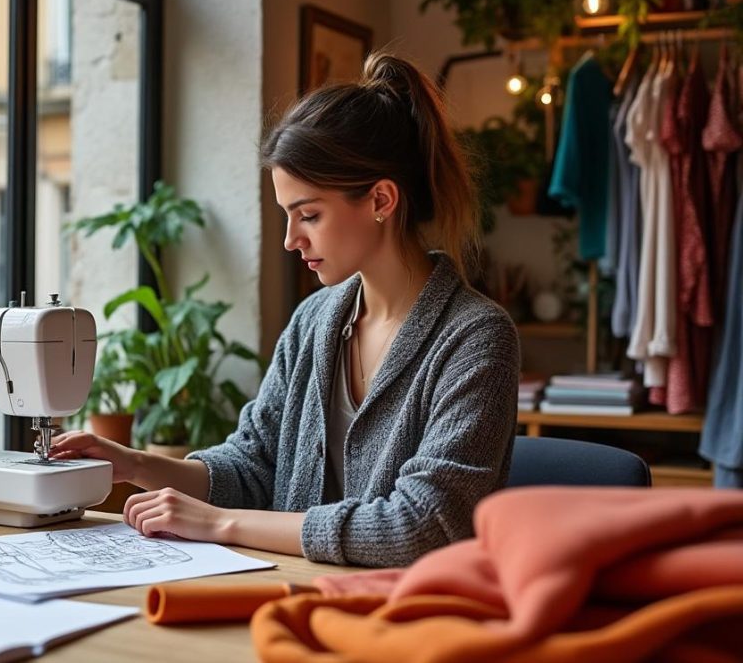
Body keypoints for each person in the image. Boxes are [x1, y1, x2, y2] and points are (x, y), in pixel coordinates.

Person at [49, 51, 521, 568]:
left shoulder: (476, 338)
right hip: (288, 594)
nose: (291, 240)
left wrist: (221, 523)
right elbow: (251, 467)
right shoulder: (314, 322)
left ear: (381, 200)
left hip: (403, 617)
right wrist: (133, 463)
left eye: (309, 215)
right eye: (287, 216)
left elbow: (420, 526)